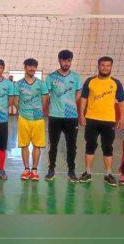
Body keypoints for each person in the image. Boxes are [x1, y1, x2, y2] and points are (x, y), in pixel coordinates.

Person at [79, 56, 124, 186]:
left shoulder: (116, 83)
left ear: (111, 67)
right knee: (90, 145)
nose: (105, 68)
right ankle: (87, 172)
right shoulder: (90, 81)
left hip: (108, 120)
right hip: (91, 119)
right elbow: (83, 98)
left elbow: (121, 101)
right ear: (98, 66)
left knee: (108, 147)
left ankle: (108, 174)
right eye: (103, 65)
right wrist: (81, 114)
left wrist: (121, 117)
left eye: (108, 65)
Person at [44, 50, 82, 182]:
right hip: (55, 116)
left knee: (72, 146)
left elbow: (78, 94)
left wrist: (70, 103)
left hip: (71, 117)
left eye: (69, 60)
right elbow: (47, 95)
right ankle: (51, 170)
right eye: (64, 60)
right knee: (53, 145)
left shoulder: (76, 77)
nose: (67, 63)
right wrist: (55, 104)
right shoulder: (51, 77)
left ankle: (71, 171)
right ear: (59, 61)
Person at [14, 58, 49, 181]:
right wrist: (23, 111)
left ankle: (34, 170)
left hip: (38, 119)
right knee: (24, 145)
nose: (32, 68)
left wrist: (38, 110)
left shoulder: (41, 84)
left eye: (34, 66)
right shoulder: (18, 84)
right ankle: (26, 169)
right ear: (25, 67)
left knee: (37, 146)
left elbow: (44, 100)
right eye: (29, 66)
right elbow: (16, 101)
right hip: (23, 118)